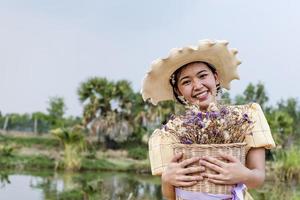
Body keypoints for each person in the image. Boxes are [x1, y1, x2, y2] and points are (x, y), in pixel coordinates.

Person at [141, 39, 276, 200]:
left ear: (216, 77)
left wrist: (243, 174)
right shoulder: (170, 132)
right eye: (186, 82)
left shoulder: (246, 118)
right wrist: (167, 179)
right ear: (178, 90)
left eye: (202, 75)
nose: (197, 85)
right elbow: (171, 196)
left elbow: (258, 178)